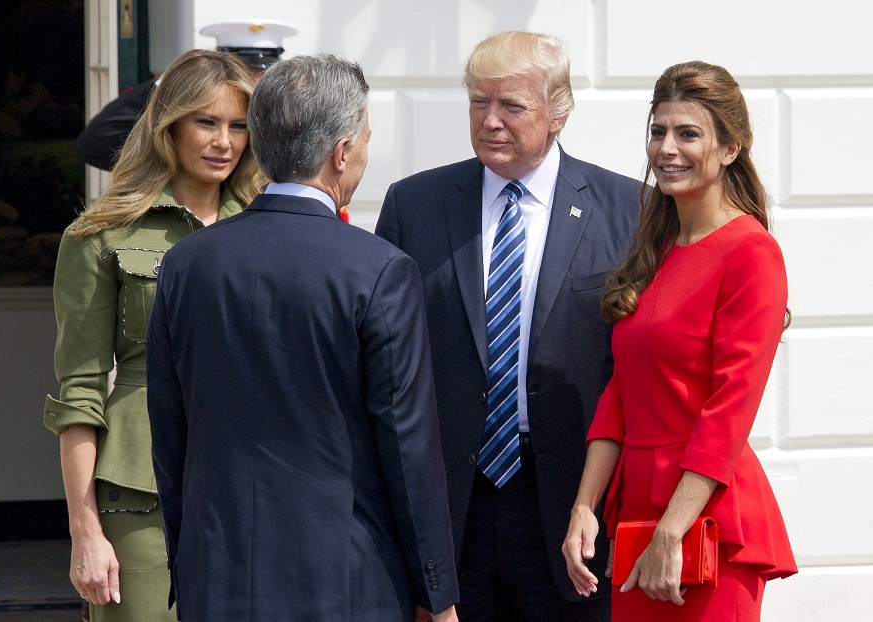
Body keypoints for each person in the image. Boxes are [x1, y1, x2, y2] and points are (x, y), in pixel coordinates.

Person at [146, 53, 460, 622]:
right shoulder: (380, 270)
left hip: (214, 575)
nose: (365, 152)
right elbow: (408, 448)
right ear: (341, 153)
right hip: (345, 581)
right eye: (365, 138)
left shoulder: (186, 264)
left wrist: (189, 557)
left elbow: (170, 436)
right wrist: (436, 595)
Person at [375, 31, 641, 621]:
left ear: (558, 115)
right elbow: (384, 364)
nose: (490, 121)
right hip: (451, 507)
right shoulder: (414, 205)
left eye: (511, 106)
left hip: (574, 502)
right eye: (478, 103)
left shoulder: (628, 210)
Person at [562, 60, 798, 621]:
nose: (667, 148)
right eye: (658, 131)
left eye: (688, 133)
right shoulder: (658, 248)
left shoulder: (750, 251)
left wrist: (675, 526)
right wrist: (584, 507)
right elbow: (623, 392)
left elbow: (731, 406)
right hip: (641, 510)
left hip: (704, 517)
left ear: (730, 149)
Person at [43, 49, 263, 622]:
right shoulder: (101, 235)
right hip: (139, 493)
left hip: (255, 487)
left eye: (239, 126)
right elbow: (80, 393)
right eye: (206, 122)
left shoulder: (270, 226)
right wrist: (83, 529)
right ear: (169, 127)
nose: (224, 142)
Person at [74, 19, 296, 171]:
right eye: (245, 70)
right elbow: (94, 144)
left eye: (264, 71)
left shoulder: (285, 115)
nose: (255, 80)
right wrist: (169, 85)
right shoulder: (186, 126)